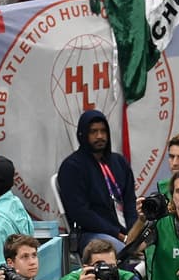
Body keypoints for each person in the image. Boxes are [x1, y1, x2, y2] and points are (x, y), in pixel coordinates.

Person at [57, 108, 136, 252]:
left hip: (125, 233)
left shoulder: (119, 162)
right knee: (120, 252)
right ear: (83, 134)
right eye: (93, 132)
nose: (100, 136)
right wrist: (118, 235)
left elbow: (130, 202)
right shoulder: (72, 167)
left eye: (103, 131)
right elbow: (81, 214)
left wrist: (134, 232)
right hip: (91, 233)